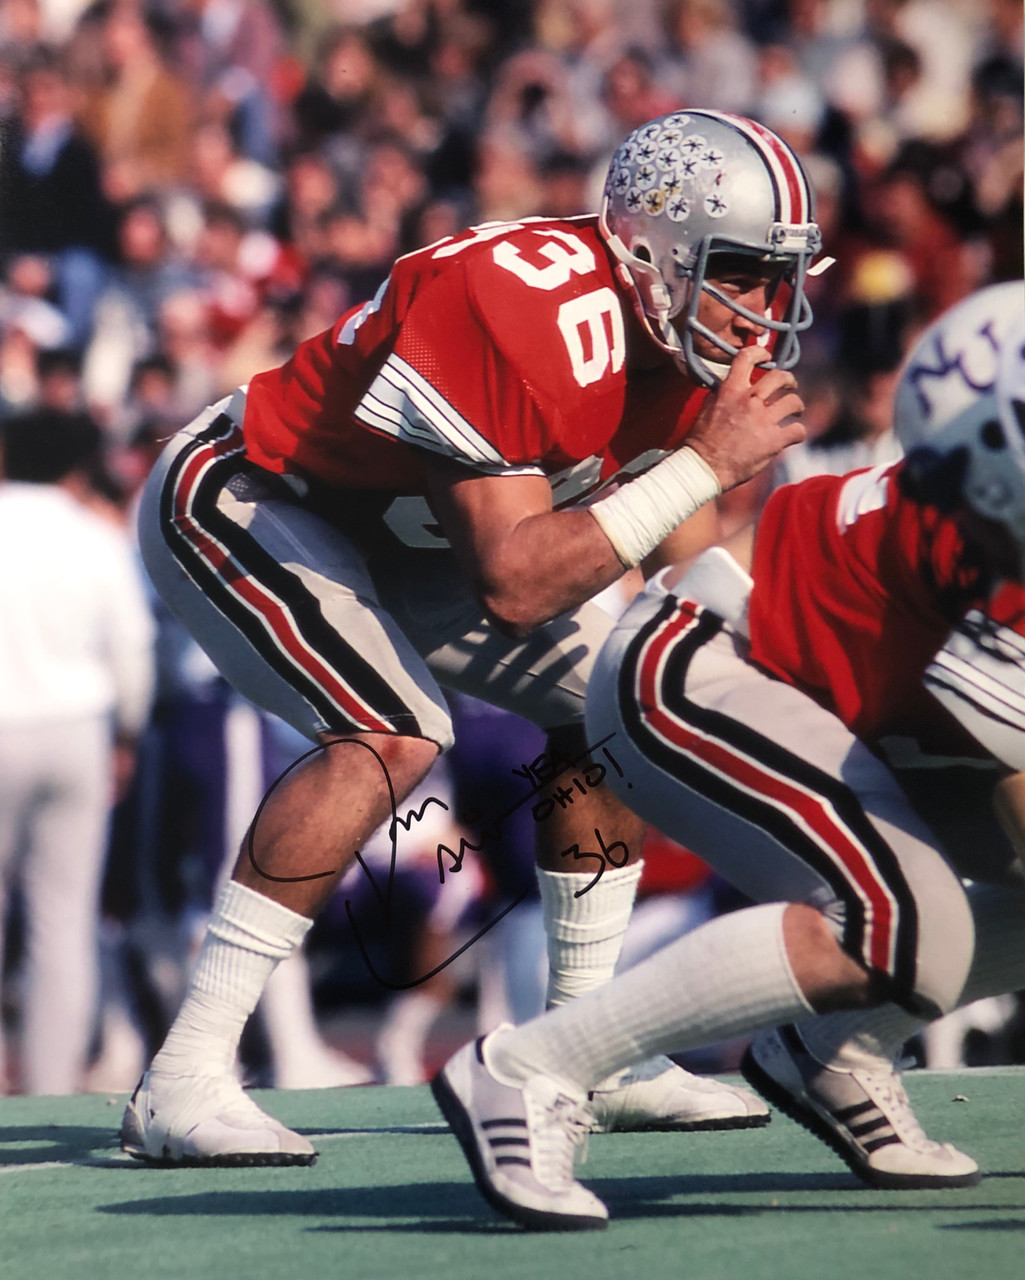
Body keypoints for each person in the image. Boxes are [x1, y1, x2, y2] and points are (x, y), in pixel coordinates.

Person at [120, 108, 819, 1166]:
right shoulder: (520, 302)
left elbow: (676, 568)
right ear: (649, 247)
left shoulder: (680, 332)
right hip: (251, 491)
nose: (761, 307)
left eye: (776, 275)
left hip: (411, 538)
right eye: (740, 270)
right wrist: (701, 463)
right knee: (389, 731)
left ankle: (584, 1052)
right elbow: (515, 582)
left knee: (624, 693)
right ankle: (183, 1074)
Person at [430, 279, 1025, 1230]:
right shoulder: (990, 553)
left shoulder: (989, 506)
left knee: (952, 914)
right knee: (904, 919)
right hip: (699, 663)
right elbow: (1008, 782)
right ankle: (533, 1067)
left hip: (810, 695)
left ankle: (830, 1047)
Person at [0, 408, 155, 1094]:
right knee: (63, 922)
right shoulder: (95, 535)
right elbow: (131, 649)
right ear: (75, 466)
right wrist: (127, 733)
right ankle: (50, 1088)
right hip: (76, 730)